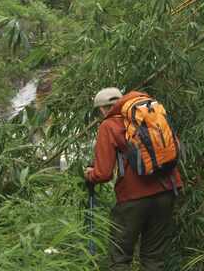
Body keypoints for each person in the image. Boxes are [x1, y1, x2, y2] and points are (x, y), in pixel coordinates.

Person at [84, 87, 183, 271]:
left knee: (120, 258)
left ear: (103, 109)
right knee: (153, 258)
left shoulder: (109, 125)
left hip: (133, 198)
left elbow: (103, 174)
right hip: (167, 191)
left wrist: (89, 174)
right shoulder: (150, 114)